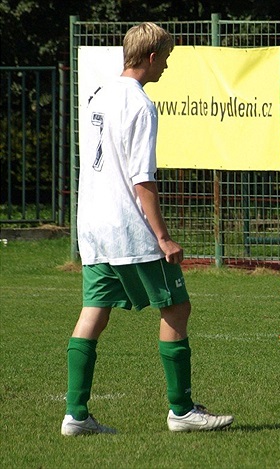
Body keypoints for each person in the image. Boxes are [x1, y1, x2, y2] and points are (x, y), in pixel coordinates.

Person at [62, 23, 233, 436]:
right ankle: (182, 410)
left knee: (93, 312)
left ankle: (75, 415)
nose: (168, 65)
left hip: (93, 226)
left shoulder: (98, 95)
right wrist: (163, 236)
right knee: (176, 308)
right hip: (128, 228)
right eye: (167, 57)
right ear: (152, 56)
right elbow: (142, 179)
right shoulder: (139, 104)